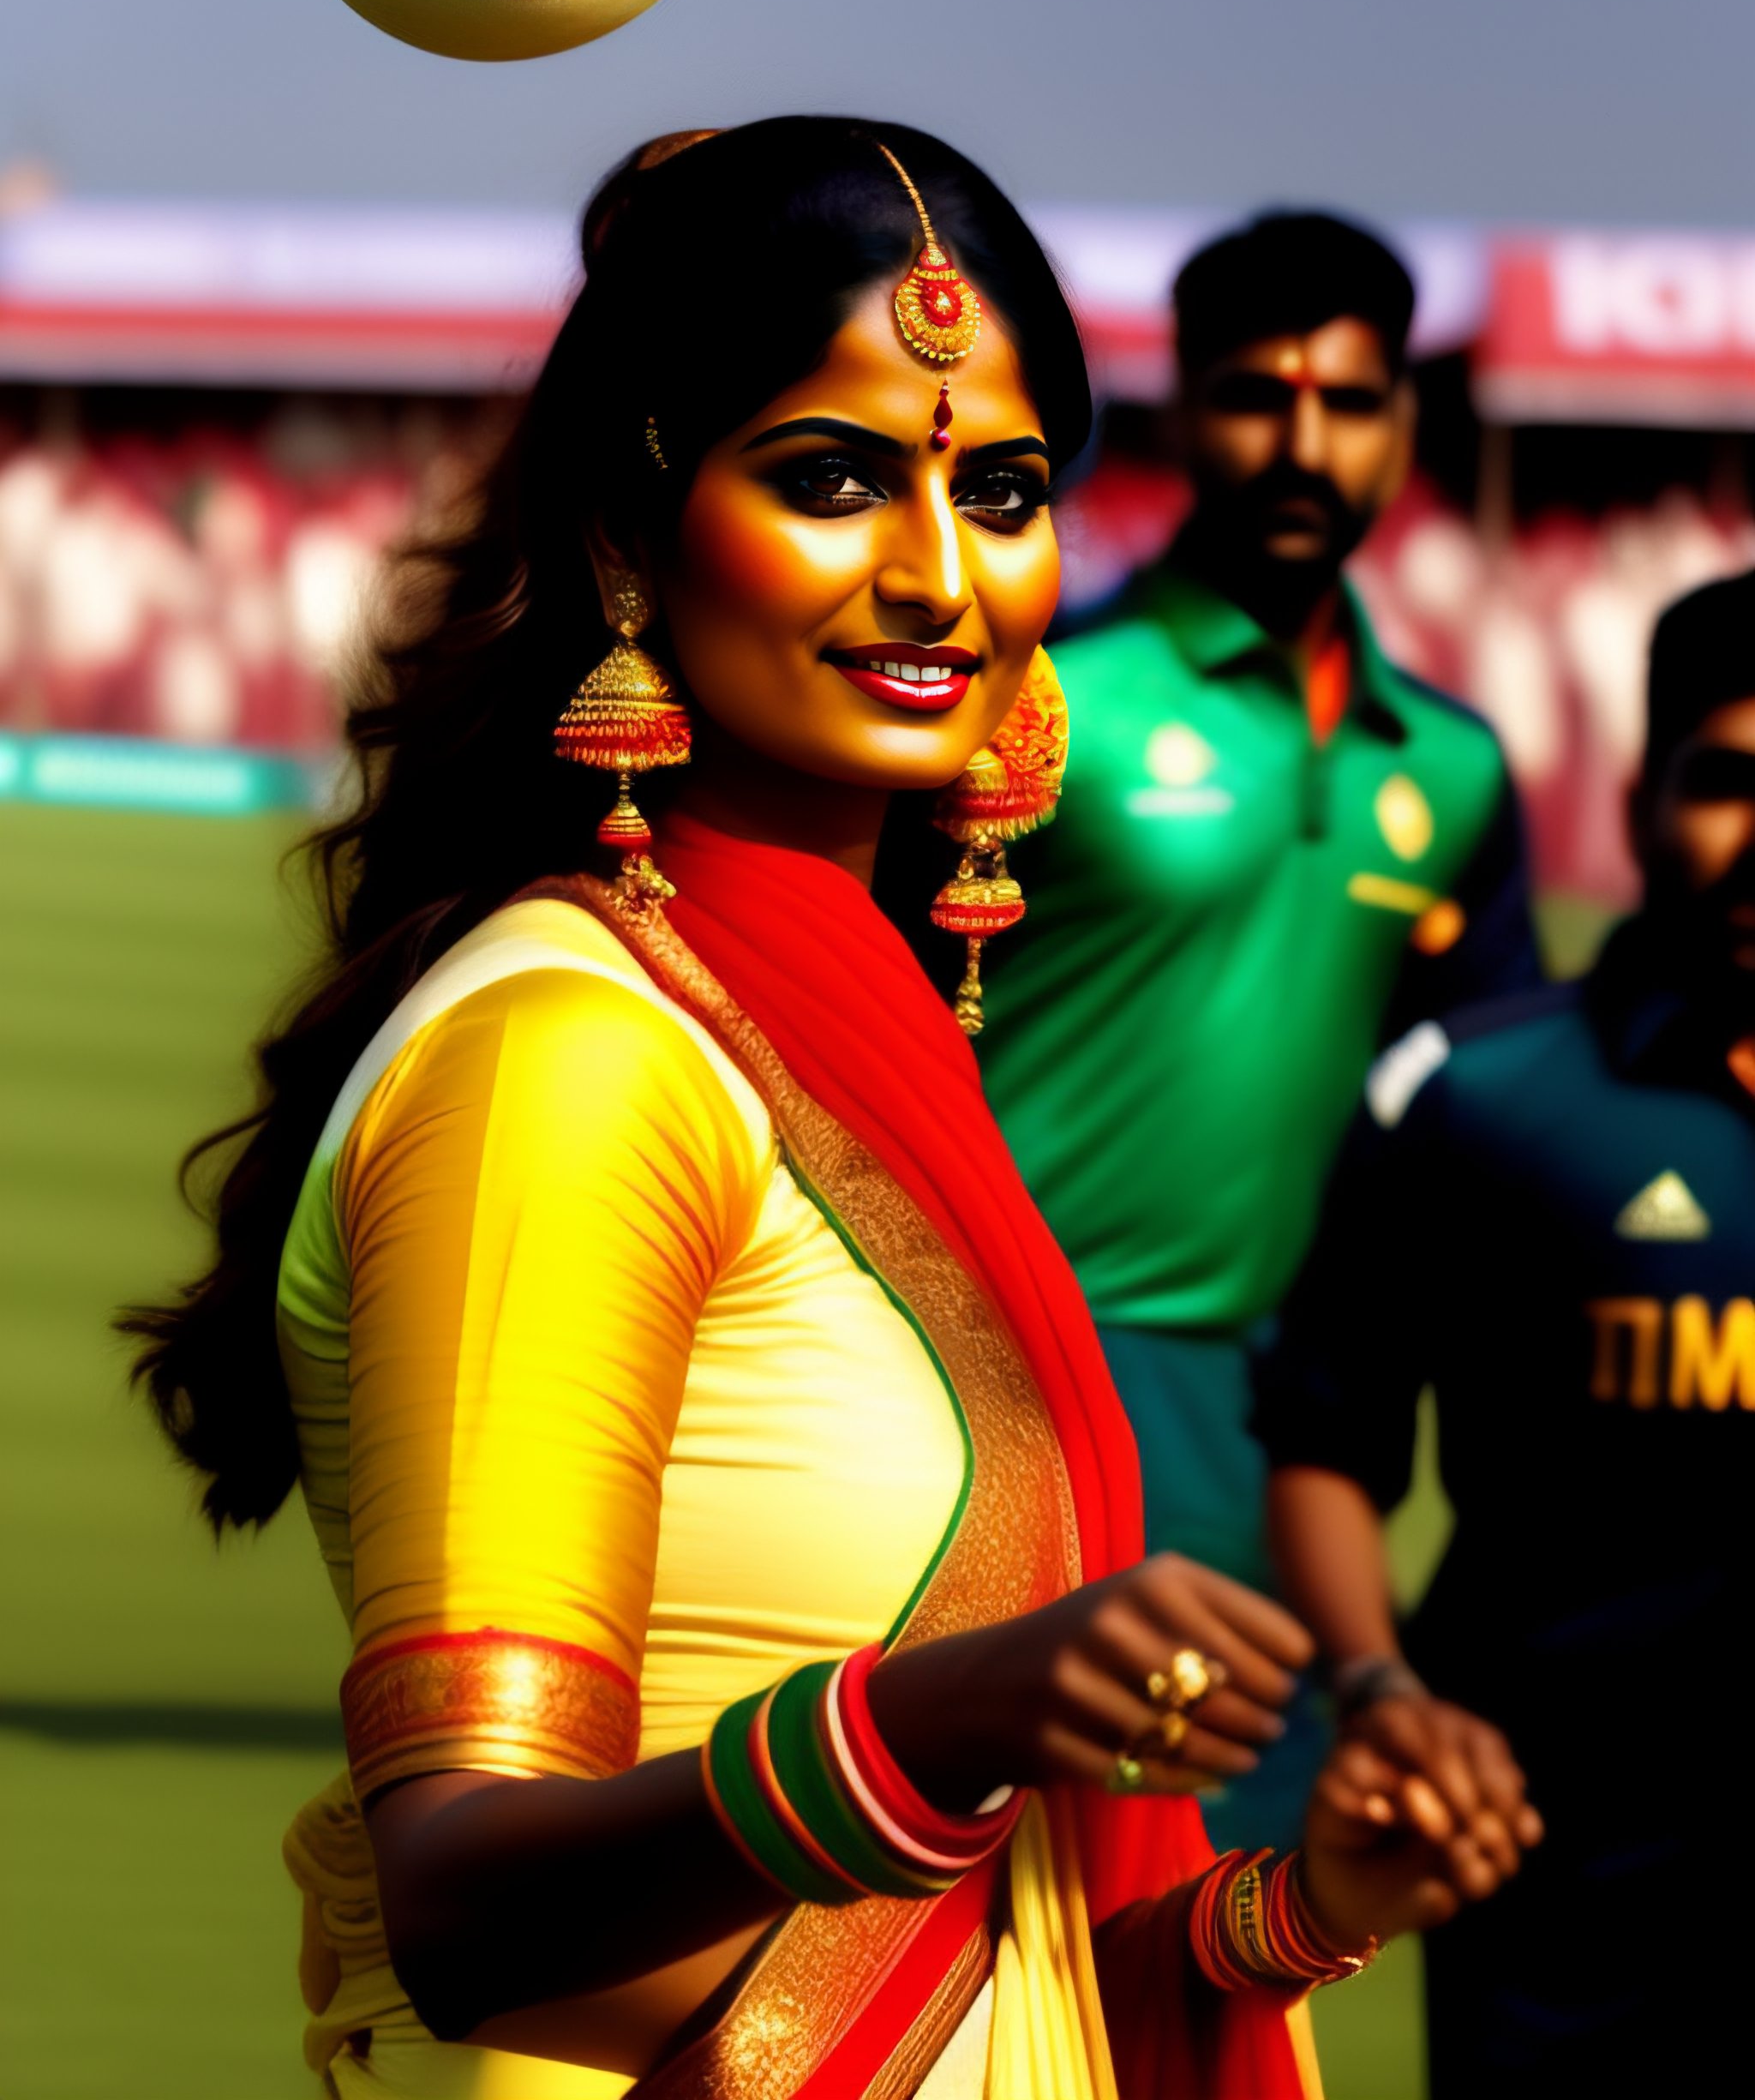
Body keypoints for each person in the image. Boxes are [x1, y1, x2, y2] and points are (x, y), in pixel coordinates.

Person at [123, 123, 1521, 2100]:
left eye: (1002, 490)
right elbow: (463, 1905)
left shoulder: (857, 1034)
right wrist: (944, 1717)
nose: (939, 577)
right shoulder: (568, 1057)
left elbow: (1015, 1963)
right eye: (833, 477)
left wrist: (1311, 1900)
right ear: (628, 532)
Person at [977, 209, 1539, 1842]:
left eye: (1349, 402)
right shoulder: (1041, 702)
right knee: (1010, 1920)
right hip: (1024, 1386)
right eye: (1255, 396)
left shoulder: (1453, 768)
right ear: (1183, 411)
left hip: (1291, 1436)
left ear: (1404, 426)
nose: (1305, 445)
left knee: (1250, 1928)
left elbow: (1481, 1124)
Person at [1256, 567, 1755, 2095]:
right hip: (1553, 1877)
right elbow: (1324, 1442)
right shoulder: (1473, 1095)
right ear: (1643, 795)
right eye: (1728, 780)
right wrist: (1380, 1690)